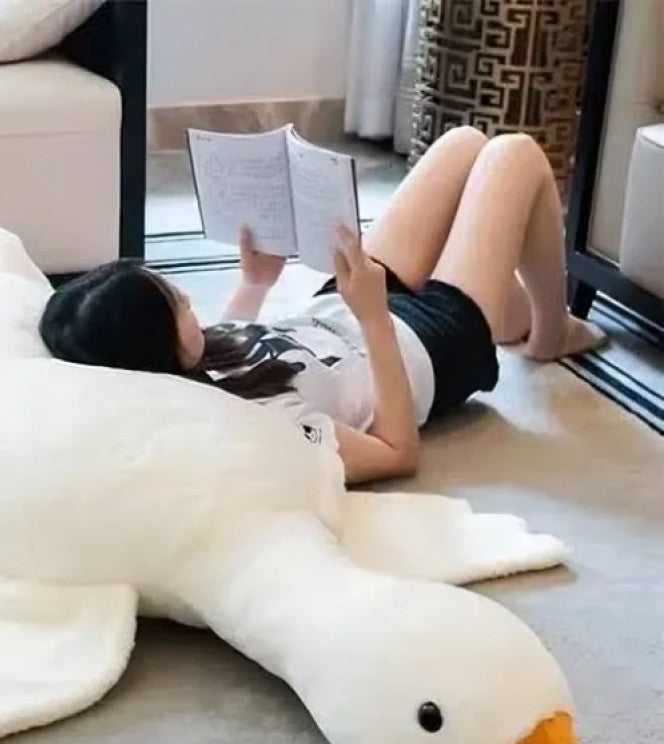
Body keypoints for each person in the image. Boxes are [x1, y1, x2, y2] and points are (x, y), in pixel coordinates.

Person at [40, 128, 605, 485]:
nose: (189, 298)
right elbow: (395, 453)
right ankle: (547, 333)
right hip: (428, 345)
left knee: (463, 144)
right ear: (157, 350)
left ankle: (507, 311)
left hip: (346, 307)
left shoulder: (184, 368)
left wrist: (254, 283)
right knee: (514, 155)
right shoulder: (266, 428)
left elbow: (231, 344)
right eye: (177, 305)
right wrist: (374, 317)